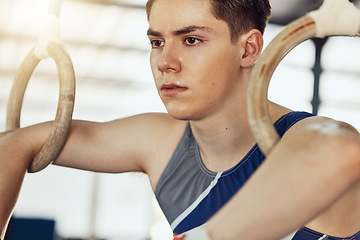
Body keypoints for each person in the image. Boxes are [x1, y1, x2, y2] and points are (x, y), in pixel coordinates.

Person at [1, 0, 360, 239]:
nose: (165, 62)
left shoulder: (302, 139)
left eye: (190, 39)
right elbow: (16, 143)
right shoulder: (159, 141)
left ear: (248, 49)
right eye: (157, 42)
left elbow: (340, 149)